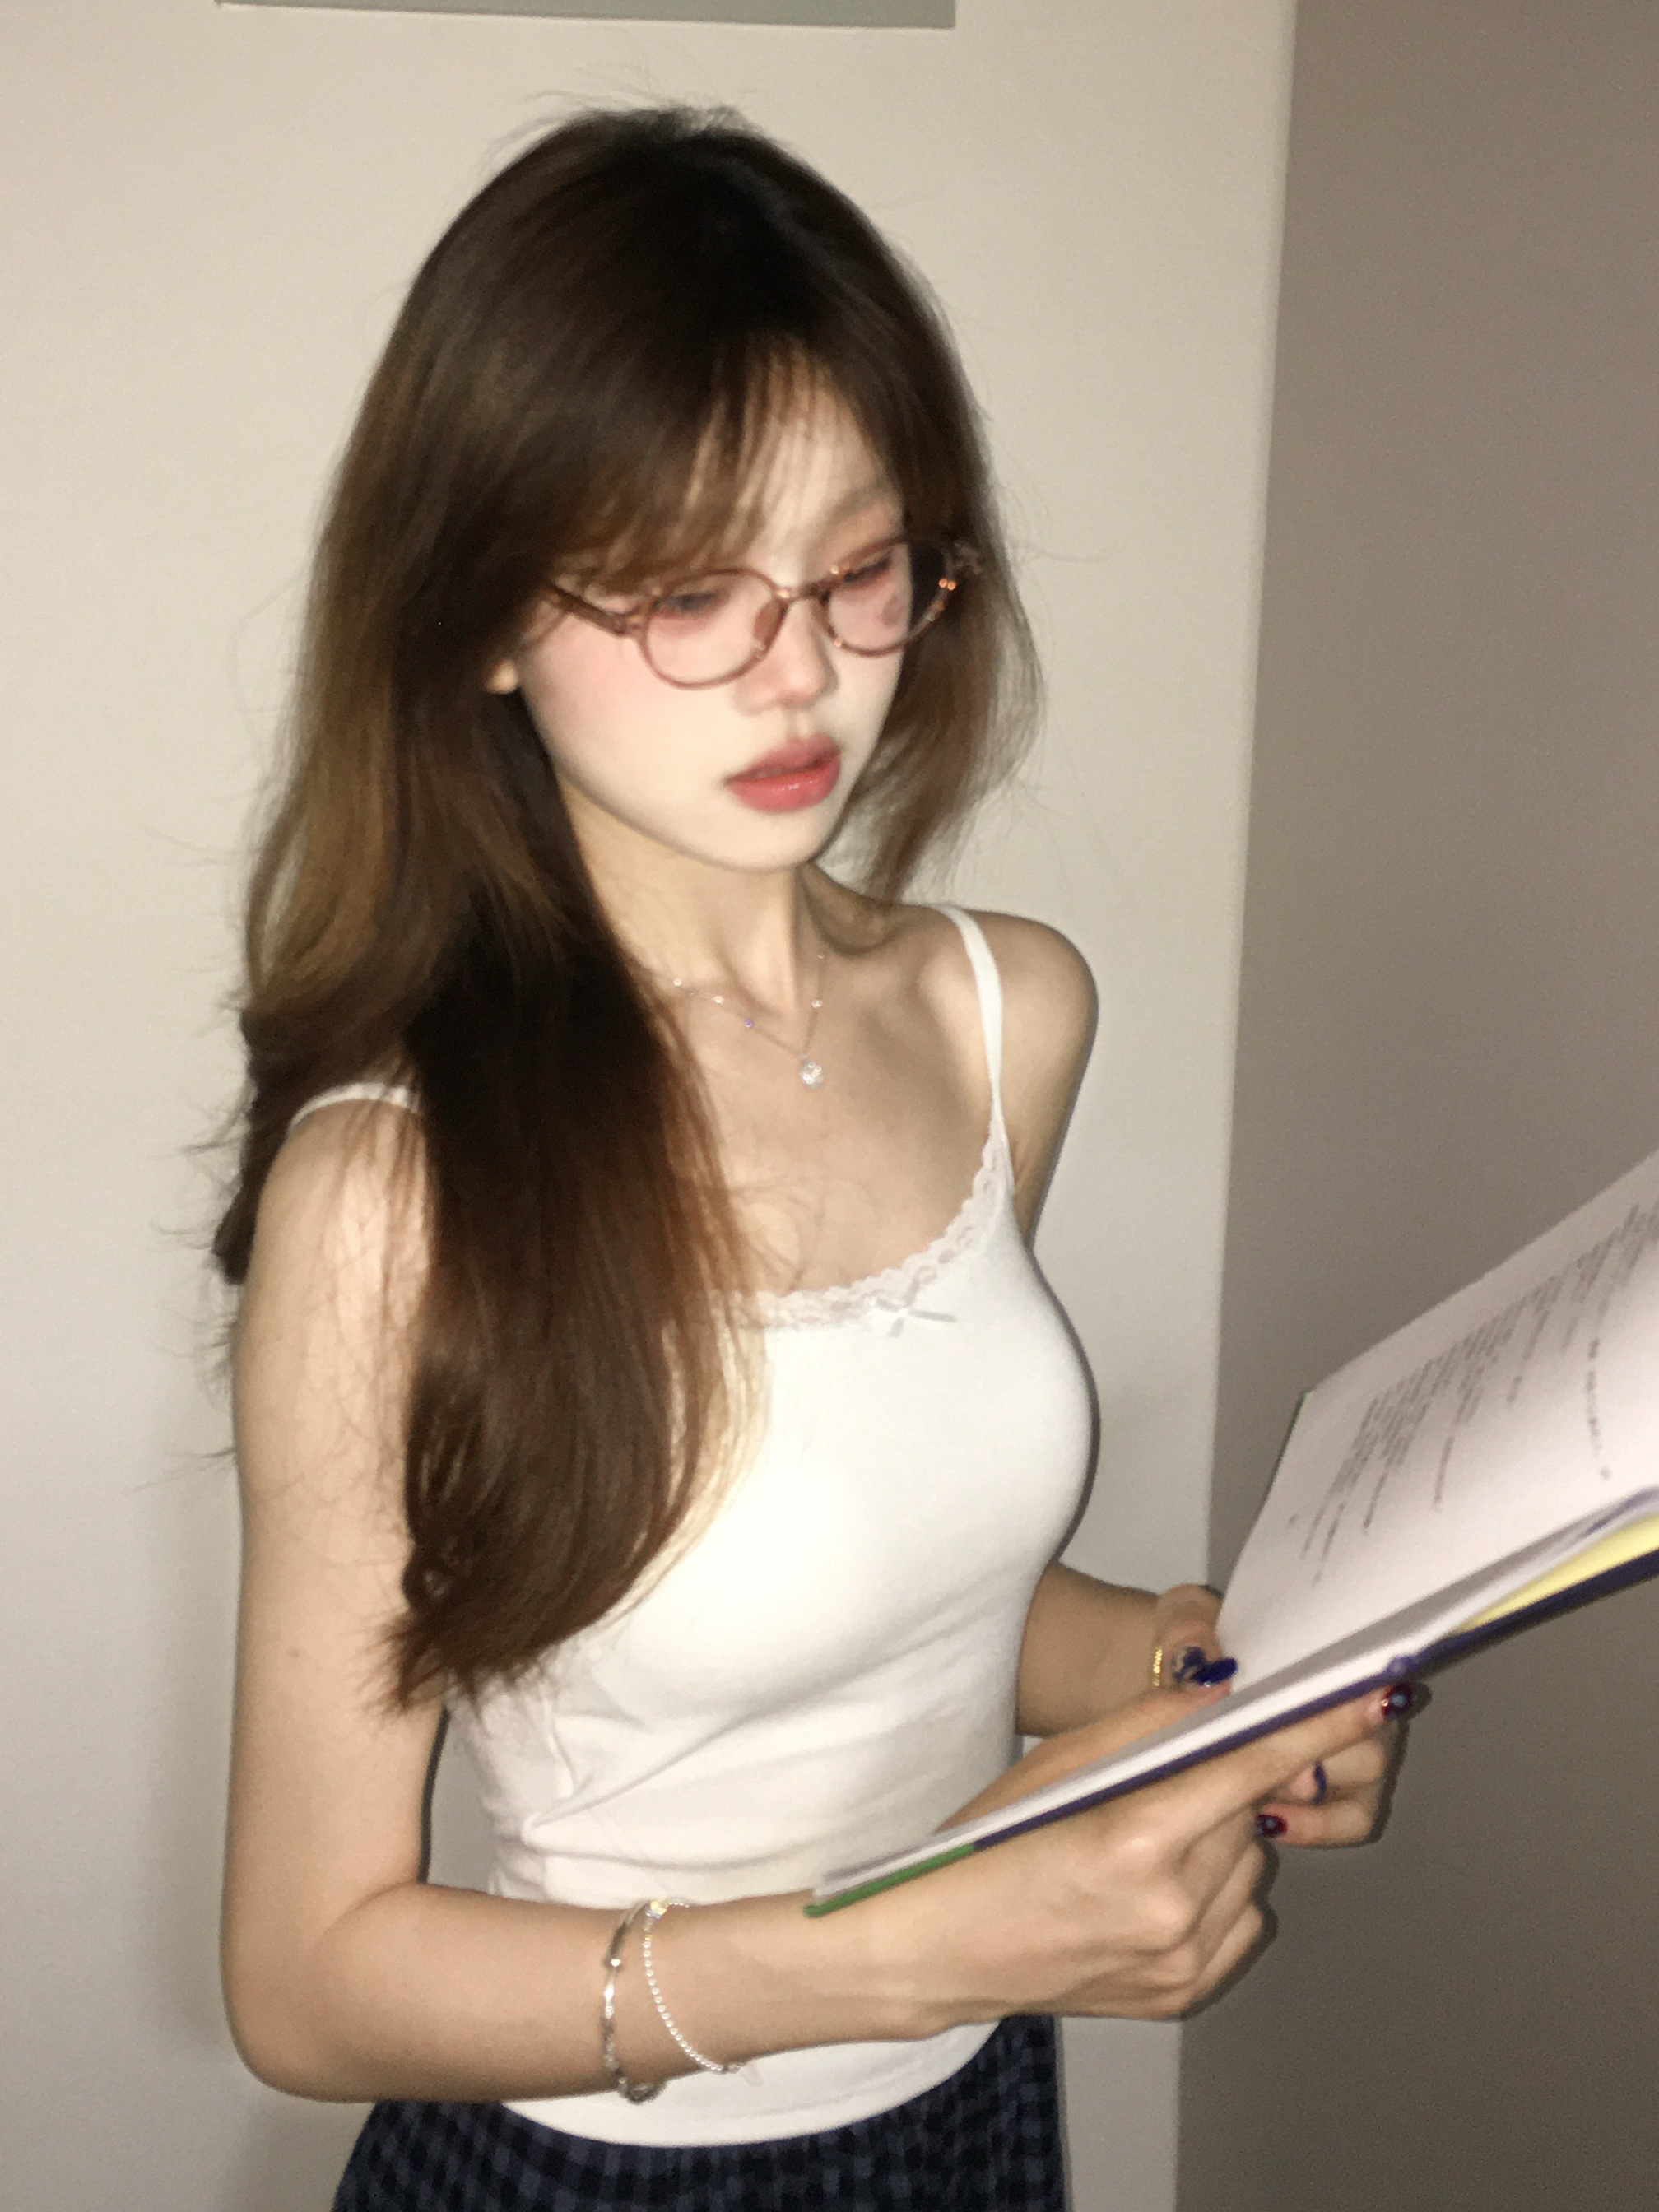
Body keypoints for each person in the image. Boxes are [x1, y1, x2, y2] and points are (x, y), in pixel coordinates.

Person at [216, 106, 1399, 2212]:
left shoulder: (1005, 1013)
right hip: (605, 2168)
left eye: (857, 570)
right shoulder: (395, 1195)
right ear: (480, 614)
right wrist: (912, 1946)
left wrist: (1208, 1675)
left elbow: (903, 1594)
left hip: (973, 2104)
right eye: (690, 587)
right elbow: (306, 1985)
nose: (802, 672)